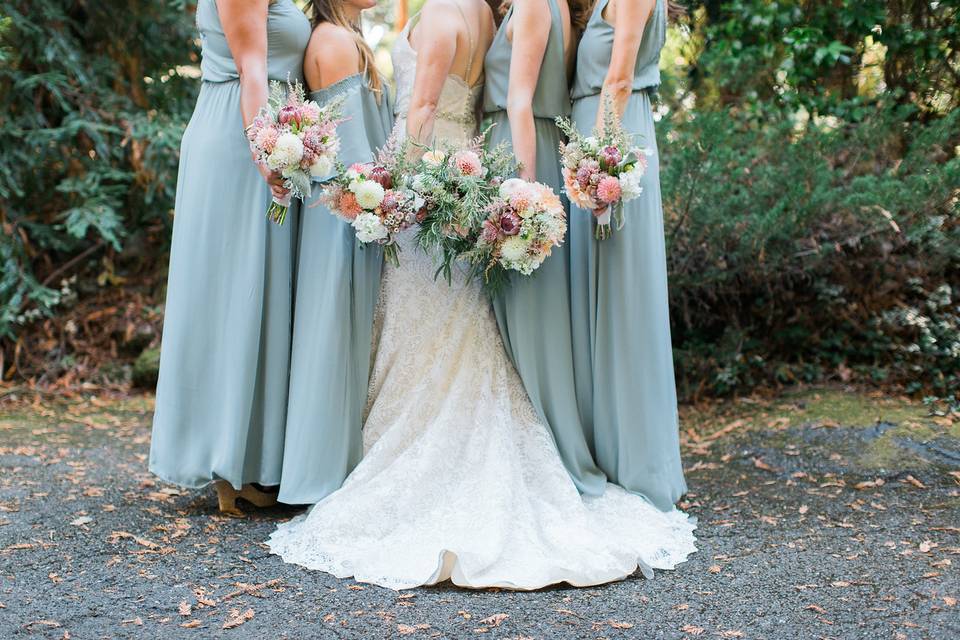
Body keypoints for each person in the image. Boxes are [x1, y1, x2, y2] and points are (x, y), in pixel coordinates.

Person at [266, 0, 696, 590]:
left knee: (424, 323)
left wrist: (379, 190)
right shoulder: (488, 15)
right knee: (458, 324)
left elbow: (422, 110)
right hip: (461, 175)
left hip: (432, 180)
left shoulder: (448, 17)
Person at [150, 0, 310, 514]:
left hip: (259, 131)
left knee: (255, 292)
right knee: (237, 290)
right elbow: (252, 67)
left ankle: (252, 454)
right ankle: (229, 465)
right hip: (242, 139)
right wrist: (266, 151)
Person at [483, 0, 609, 496]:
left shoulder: (536, 4)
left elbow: (519, 100)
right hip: (530, 146)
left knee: (530, 312)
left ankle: (548, 449)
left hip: (523, 152)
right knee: (528, 312)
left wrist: (526, 192)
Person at [568, 0, 687, 511]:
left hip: (610, 148)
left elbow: (617, 80)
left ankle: (638, 465)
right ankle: (608, 451)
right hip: (599, 145)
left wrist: (596, 163)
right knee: (605, 298)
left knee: (623, 300)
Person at [276, 0, 393, 505]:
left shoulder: (336, 35)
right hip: (346, 209)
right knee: (336, 332)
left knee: (334, 330)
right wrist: (386, 202)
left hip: (339, 205)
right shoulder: (336, 42)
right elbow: (353, 146)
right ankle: (323, 472)